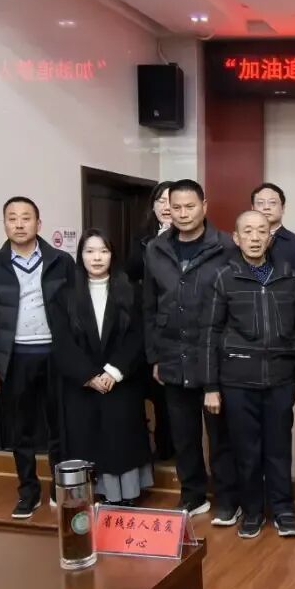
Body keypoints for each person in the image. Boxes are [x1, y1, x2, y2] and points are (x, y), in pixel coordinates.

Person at [0, 197, 72, 519]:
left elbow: (76, 311)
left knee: (60, 427)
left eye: (26, 218)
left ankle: (60, 487)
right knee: (20, 429)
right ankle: (28, 491)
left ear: (39, 224)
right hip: (14, 359)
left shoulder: (61, 261)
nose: (19, 224)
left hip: (56, 356)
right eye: (12, 218)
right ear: (5, 225)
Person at [204, 211, 295, 540]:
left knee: (279, 449)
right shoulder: (224, 277)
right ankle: (252, 511)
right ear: (236, 238)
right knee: (245, 451)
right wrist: (211, 386)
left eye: (261, 231)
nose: (255, 237)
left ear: (270, 237)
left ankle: (284, 510)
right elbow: (211, 333)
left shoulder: (290, 277)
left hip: (280, 378)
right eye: (247, 231)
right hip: (237, 379)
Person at [144, 179, 239, 521]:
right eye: (176, 207)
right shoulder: (156, 248)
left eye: (190, 206)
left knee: (220, 435)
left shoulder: (226, 246)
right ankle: (192, 495)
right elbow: (149, 306)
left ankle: (228, 498)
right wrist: (155, 355)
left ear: (204, 207)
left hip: (215, 356)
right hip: (172, 354)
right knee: (183, 435)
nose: (183, 213)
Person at [49, 230, 152, 506]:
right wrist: (88, 375)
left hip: (121, 380)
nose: (97, 258)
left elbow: (138, 336)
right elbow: (62, 341)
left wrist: (114, 371)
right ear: (80, 256)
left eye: (103, 251)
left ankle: (125, 494)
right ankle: (92, 493)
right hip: (82, 383)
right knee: (86, 437)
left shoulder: (131, 290)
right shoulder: (64, 294)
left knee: (120, 439)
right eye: (90, 251)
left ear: (112, 256)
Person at [125, 180, 174, 461]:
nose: (166, 206)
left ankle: (170, 447)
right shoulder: (142, 239)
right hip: (144, 321)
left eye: (171, 200)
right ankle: (150, 447)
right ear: (153, 206)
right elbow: (131, 273)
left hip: (173, 325)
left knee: (169, 395)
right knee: (148, 389)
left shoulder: (190, 238)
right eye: (160, 200)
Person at [251, 182, 295, 282]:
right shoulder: (243, 240)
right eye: (260, 203)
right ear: (252, 208)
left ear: (283, 208)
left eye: (272, 203)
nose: (266, 207)